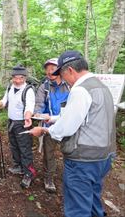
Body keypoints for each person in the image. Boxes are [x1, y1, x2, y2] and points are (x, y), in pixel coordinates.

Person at [30, 50, 116, 217]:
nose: (64, 80)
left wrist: (45, 129)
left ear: (70, 70)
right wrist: (52, 118)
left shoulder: (80, 90)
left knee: (78, 208)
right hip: (103, 156)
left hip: (83, 160)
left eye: (61, 73)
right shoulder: (100, 86)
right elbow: (83, 116)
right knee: (92, 199)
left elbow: (67, 127)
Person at [0, 64, 36, 188]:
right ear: (12, 78)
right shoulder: (10, 87)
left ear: (25, 78)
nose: (18, 81)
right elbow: (5, 100)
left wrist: (28, 116)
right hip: (11, 121)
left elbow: (30, 106)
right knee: (14, 145)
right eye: (15, 78)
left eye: (21, 78)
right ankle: (18, 167)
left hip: (23, 123)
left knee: (25, 149)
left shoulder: (28, 90)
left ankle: (29, 173)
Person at [33, 58, 69, 193]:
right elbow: (39, 105)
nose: (49, 72)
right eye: (47, 69)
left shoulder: (69, 85)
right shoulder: (44, 87)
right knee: (49, 153)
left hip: (69, 124)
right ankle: (49, 178)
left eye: (52, 68)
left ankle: (70, 176)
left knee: (70, 151)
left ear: (60, 69)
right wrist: (39, 114)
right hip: (50, 126)